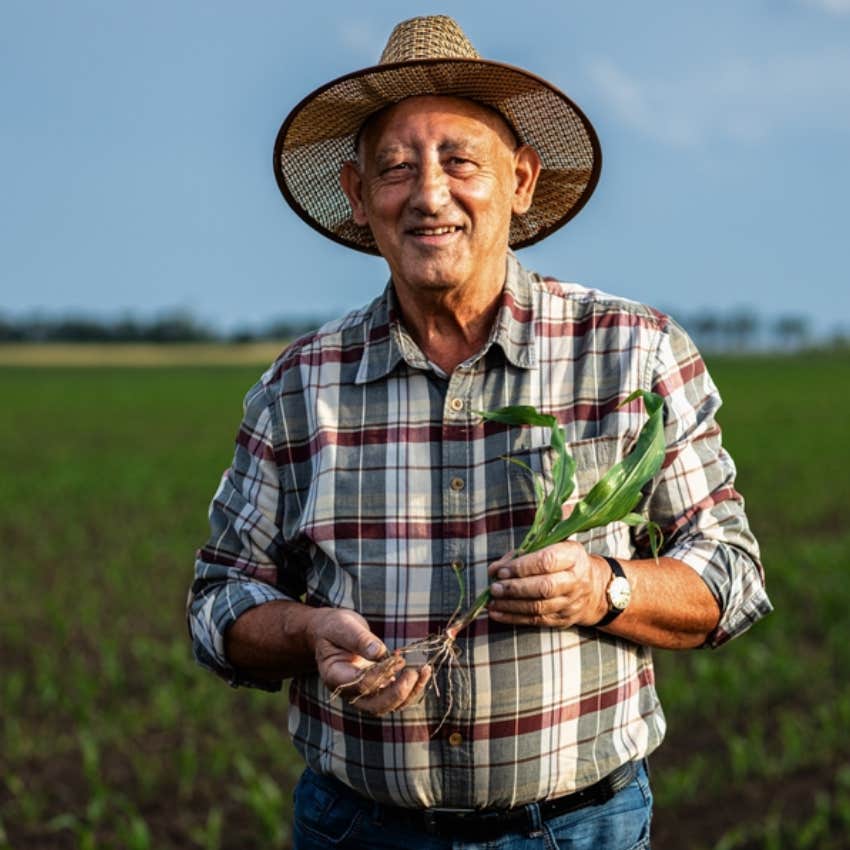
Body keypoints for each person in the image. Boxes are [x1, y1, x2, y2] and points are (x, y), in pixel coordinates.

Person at [187, 15, 772, 850]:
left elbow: (731, 576)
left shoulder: (632, 352)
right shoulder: (297, 386)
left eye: (460, 161)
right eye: (395, 168)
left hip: (578, 830)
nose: (429, 194)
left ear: (521, 179)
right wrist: (308, 632)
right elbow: (219, 604)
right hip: (357, 829)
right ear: (358, 197)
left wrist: (604, 588)